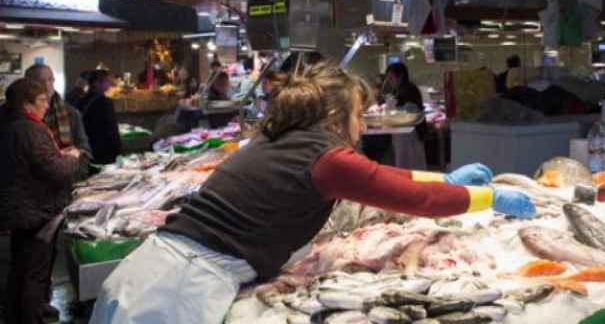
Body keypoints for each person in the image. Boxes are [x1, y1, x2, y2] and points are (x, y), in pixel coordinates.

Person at [89, 63, 534, 324]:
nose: (363, 124)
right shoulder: (326, 156)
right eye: (361, 113)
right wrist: (488, 198)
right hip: (173, 293)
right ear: (339, 114)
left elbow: (379, 176)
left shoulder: (281, 137)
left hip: (149, 270)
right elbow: (408, 199)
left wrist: (447, 179)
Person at [5, 78, 82, 324]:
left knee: (19, 268)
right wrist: (73, 157)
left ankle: (15, 313)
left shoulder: (8, 124)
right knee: (34, 272)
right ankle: (32, 317)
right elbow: (56, 170)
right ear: (25, 105)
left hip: (17, 210)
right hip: (34, 212)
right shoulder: (31, 129)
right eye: (41, 101)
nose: (46, 106)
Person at [26, 64, 93, 179]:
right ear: (28, 84)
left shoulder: (71, 113)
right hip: (31, 183)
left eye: (50, 80)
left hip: (67, 180)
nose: (47, 85)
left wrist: (74, 175)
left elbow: (85, 151)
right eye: (40, 81)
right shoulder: (18, 116)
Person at [77, 69, 121, 165]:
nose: (109, 85)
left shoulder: (80, 101)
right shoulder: (106, 102)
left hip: (86, 149)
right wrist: (118, 152)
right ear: (97, 83)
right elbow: (112, 129)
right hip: (104, 151)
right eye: (107, 81)